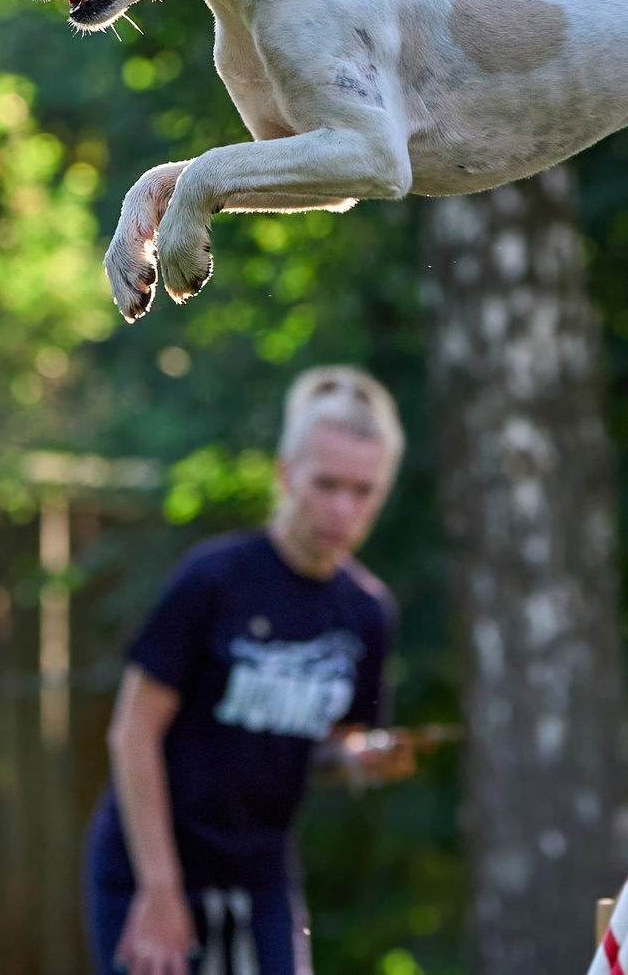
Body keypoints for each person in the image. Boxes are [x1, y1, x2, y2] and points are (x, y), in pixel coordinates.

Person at [89, 366, 419, 975]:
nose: (343, 508)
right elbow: (131, 733)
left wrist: (358, 756)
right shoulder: (213, 579)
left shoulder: (368, 613)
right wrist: (159, 890)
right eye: (326, 484)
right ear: (286, 473)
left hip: (262, 869)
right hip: (153, 861)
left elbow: (336, 739)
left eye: (363, 490)